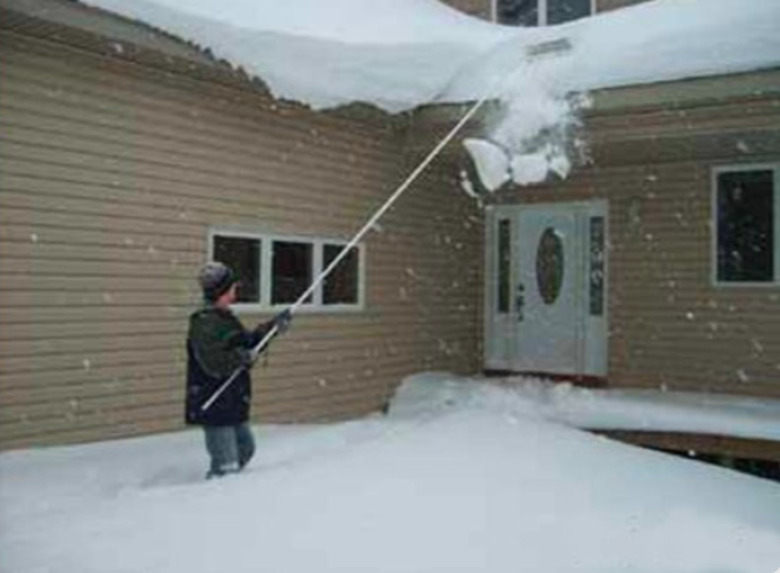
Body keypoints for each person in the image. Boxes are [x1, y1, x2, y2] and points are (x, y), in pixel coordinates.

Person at [185, 261, 291, 478]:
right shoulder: (204, 323)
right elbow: (213, 363)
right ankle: (219, 490)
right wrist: (240, 358)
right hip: (215, 402)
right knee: (226, 465)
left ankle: (233, 487)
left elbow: (247, 342)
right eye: (232, 288)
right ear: (221, 292)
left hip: (232, 400)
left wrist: (272, 328)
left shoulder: (224, 318)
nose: (235, 292)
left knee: (245, 449)